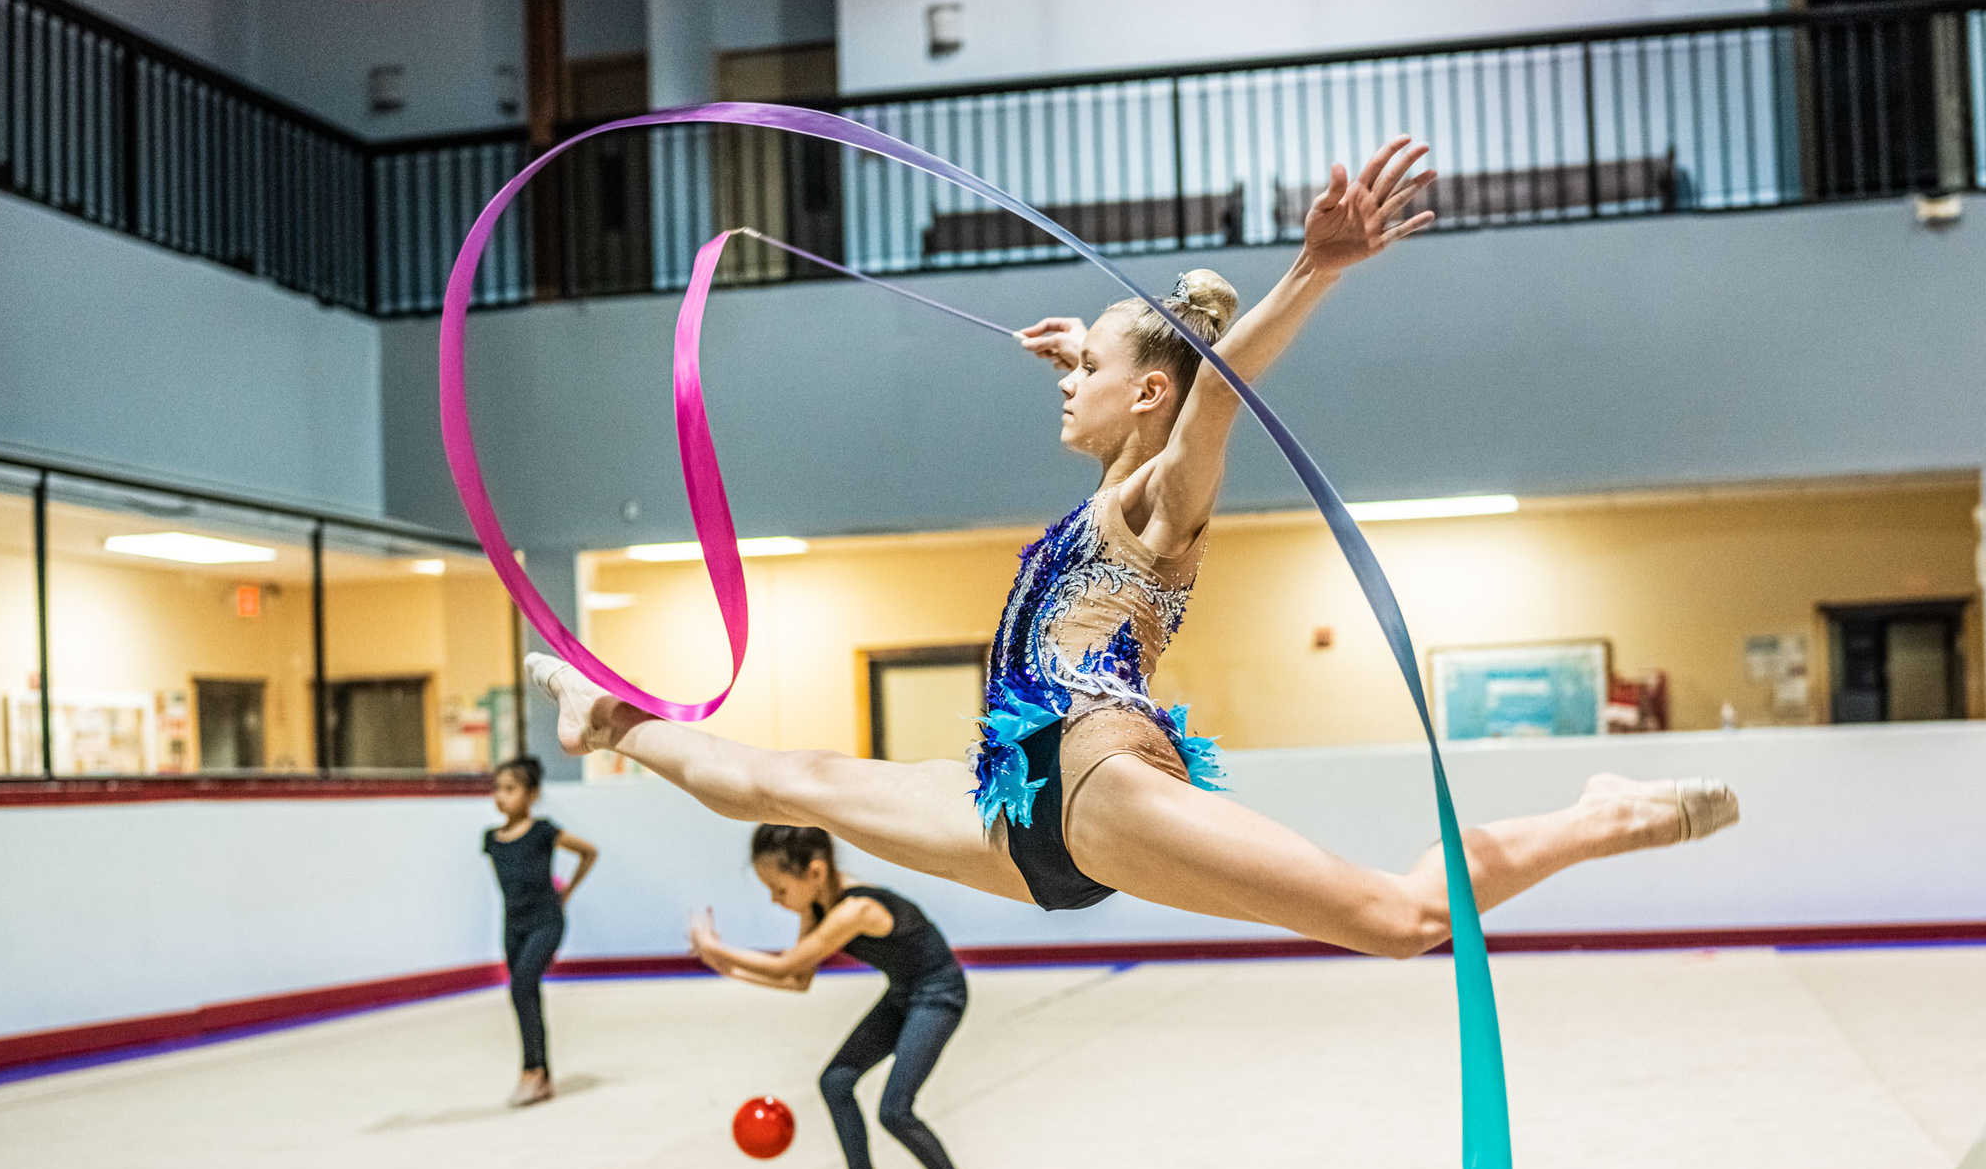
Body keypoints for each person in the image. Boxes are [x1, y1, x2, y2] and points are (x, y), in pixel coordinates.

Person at [528, 136, 1737, 962]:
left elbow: (1207, 399)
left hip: (1100, 776)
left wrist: (1310, 270)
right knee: (795, 780)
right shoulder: (1113, 480)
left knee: (1401, 918)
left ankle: (1602, 815)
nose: (1063, 387)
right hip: (1021, 807)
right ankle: (609, 720)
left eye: (1089, 375)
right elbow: (1150, 391)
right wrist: (1091, 353)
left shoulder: (1164, 498)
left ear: (1150, 394)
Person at [689, 825, 985, 1169]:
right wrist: (731, 969)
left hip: (940, 994)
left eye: (778, 888)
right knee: (836, 1081)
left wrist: (716, 949)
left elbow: (785, 965)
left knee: (895, 1110)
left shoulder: (856, 909)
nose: (775, 900)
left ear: (814, 873)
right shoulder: (817, 907)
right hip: (905, 994)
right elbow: (798, 980)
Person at [483, 756, 599, 1105]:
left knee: (522, 986)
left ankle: (531, 1073)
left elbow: (588, 852)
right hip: (513, 928)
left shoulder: (543, 832)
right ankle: (542, 1076)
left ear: (532, 794)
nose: (501, 797)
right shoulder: (491, 839)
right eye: (497, 789)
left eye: (510, 789)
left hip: (547, 921)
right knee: (524, 994)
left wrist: (567, 892)